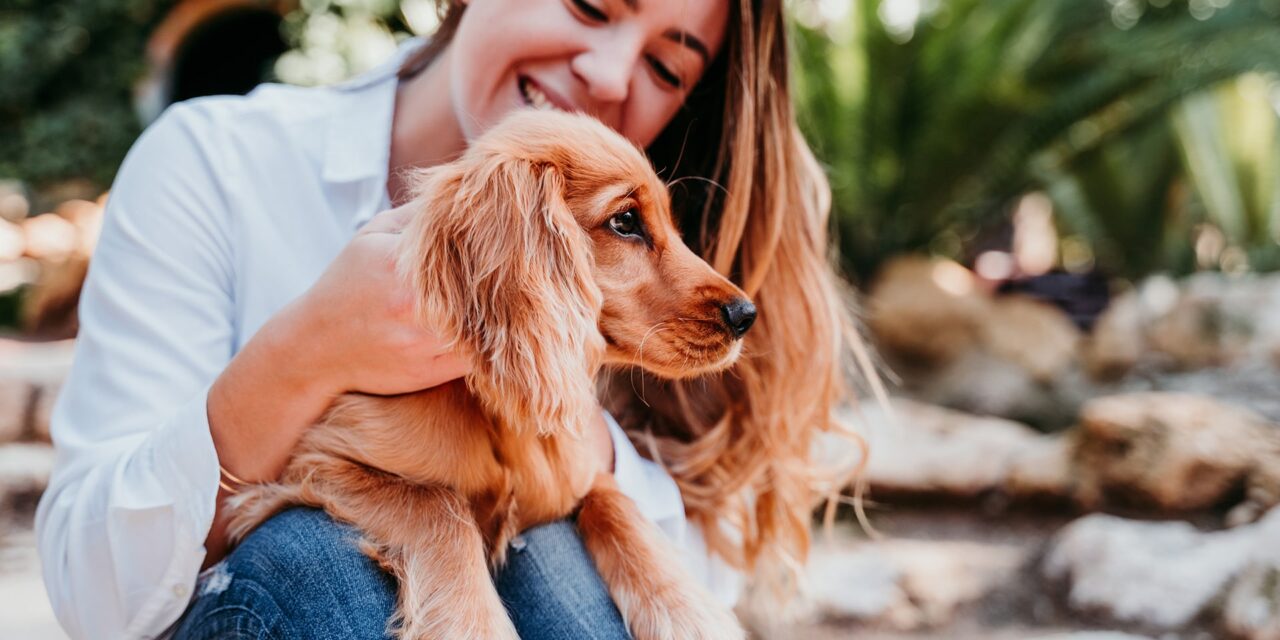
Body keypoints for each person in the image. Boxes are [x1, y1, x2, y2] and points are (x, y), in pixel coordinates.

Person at [35, 0, 867, 638]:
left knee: (555, 560)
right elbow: (92, 593)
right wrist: (309, 350)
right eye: (588, 3)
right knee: (315, 560)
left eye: (666, 68)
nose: (612, 75)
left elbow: (707, 591)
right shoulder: (215, 163)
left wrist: (589, 460)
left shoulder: (608, 233)